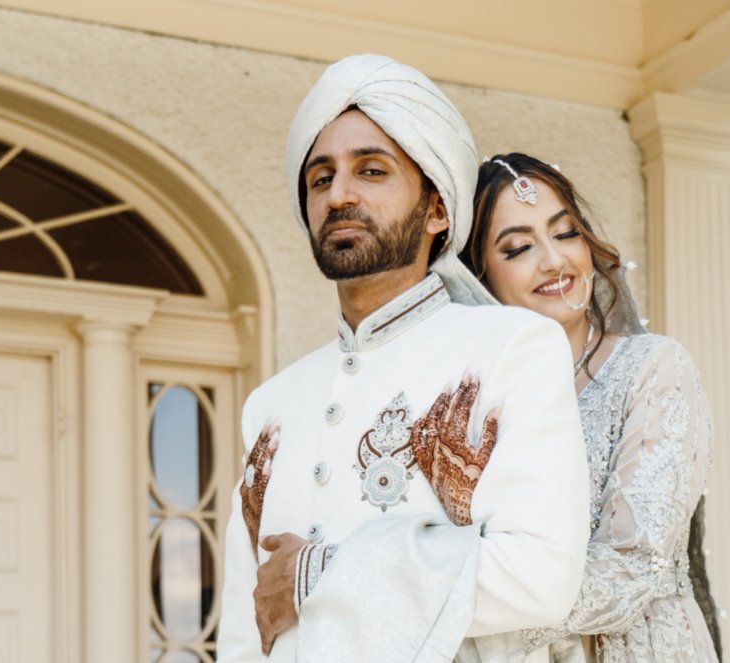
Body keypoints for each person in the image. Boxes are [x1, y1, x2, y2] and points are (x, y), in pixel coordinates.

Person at [217, 57, 591, 663]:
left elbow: (540, 576)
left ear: (437, 208)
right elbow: (245, 626)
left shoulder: (511, 349)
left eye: (371, 170)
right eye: (320, 179)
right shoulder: (272, 405)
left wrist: (319, 575)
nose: (340, 195)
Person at [459, 153, 721, 662]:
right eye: (518, 248)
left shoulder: (653, 370)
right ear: (479, 278)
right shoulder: (470, 403)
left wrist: (439, 603)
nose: (553, 261)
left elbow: (634, 567)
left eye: (565, 233)